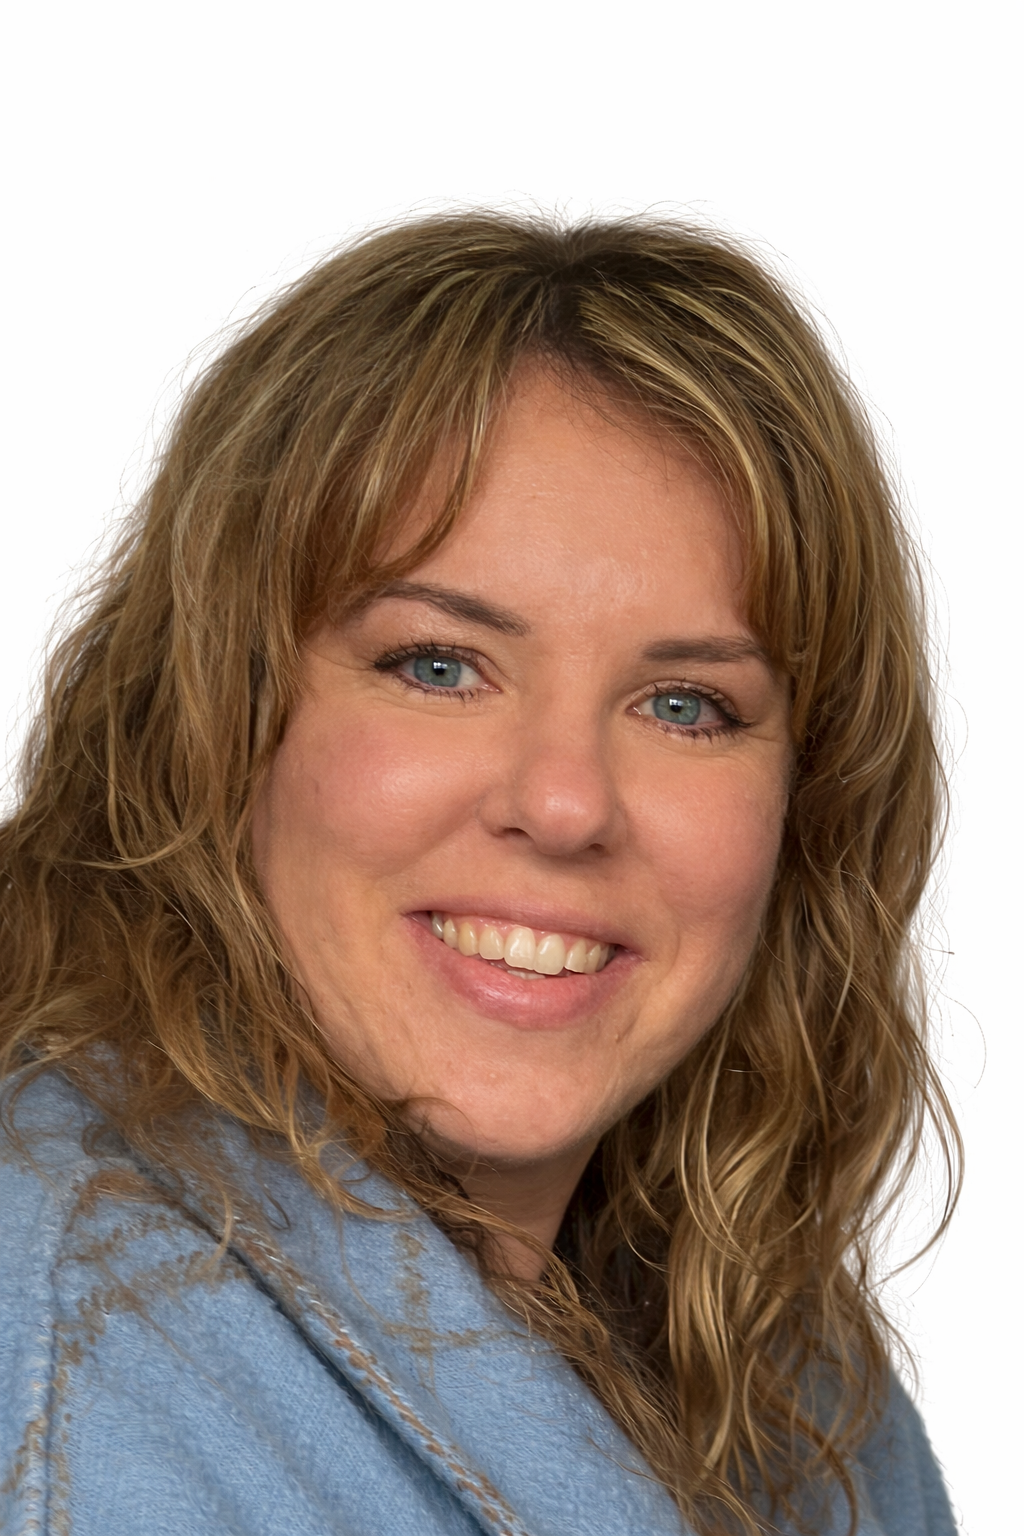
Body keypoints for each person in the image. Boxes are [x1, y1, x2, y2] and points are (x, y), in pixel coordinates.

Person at [0, 212, 960, 1536]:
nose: (564, 803)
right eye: (438, 666)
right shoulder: (46, 1334)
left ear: (814, 798)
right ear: (214, 721)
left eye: (685, 705)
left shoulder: (814, 1410)